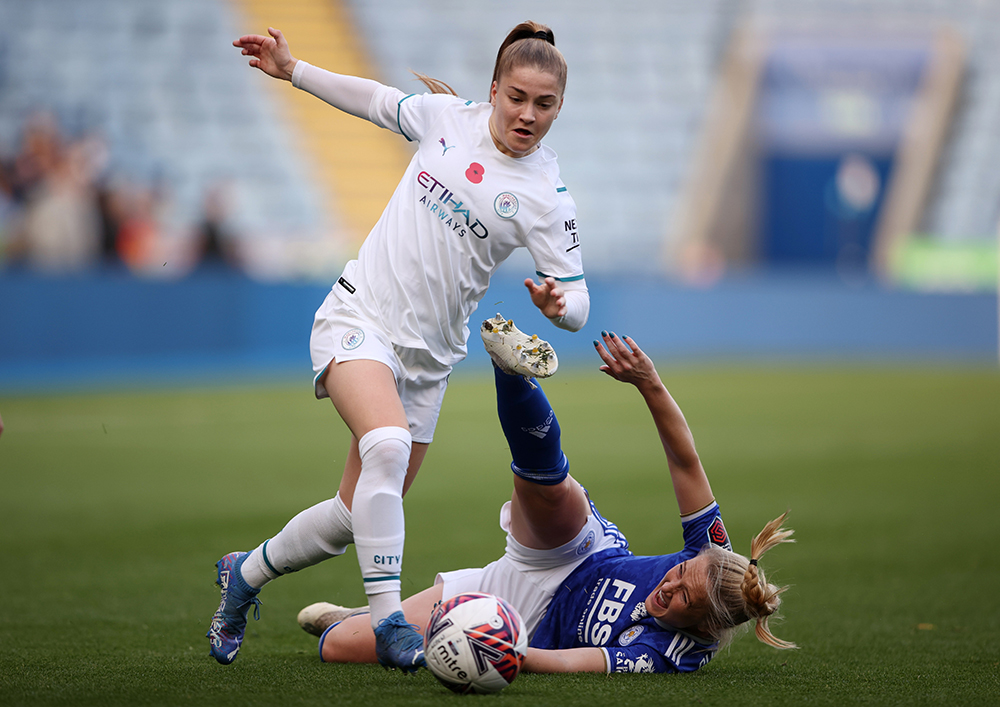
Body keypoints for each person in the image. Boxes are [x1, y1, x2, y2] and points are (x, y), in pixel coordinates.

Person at [208, 22, 589, 671]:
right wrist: (292, 69)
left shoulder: (547, 199)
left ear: (558, 107)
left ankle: (244, 573)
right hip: (360, 315)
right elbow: (373, 100)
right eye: (517, 96)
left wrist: (560, 305)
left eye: (544, 103)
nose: (528, 114)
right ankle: (389, 623)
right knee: (383, 444)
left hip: (428, 363)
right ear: (494, 90)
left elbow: (577, 303)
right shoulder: (444, 119)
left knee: (351, 516)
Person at [299, 329, 796, 674]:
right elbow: (686, 463)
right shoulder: (711, 553)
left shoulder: (675, 651)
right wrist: (650, 383)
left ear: (705, 624)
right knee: (550, 488)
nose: (670, 585)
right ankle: (508, 367)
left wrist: (483, 643)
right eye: (680, 575)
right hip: (582, 553)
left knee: (337, 649)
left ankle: (359, 617)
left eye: (683, 598)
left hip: (523, 615)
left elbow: (566, 662)